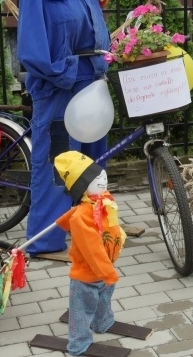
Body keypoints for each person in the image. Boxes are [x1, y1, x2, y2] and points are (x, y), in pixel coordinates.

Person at [18, 0, 110, 254]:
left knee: (93, 157)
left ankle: (92, 224)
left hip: (91, 77)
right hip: (59, 82)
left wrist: (105, 54)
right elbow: (32, 36)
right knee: (59, 161)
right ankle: (45, 238)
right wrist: (60, 71)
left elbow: (92, 15)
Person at [53, 151, 125, 356]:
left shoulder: (102, 200)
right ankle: (78, 344)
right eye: (96, 179)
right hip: (87, 273)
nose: (103, 180)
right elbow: (92, 249)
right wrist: (107, 272)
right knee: (81, 310)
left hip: (106, 266)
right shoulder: (82, 217)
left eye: (102, 174)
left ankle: (103, 322)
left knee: (104, 299)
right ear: (83, 188)